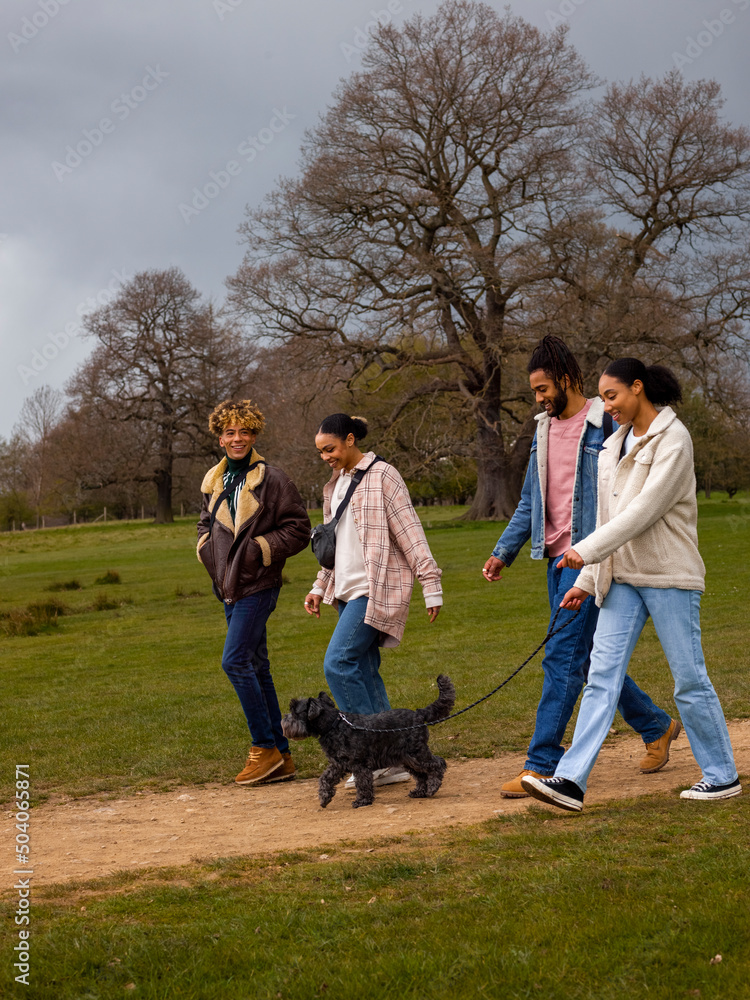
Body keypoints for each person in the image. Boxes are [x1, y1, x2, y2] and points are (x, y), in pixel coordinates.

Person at [522, 359, 741, 811]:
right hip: (620, 578)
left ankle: (721, 775)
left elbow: (643, 511)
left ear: (637, 389)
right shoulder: (612, 446)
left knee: (688, 679)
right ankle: (569, 781)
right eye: (603, 398)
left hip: (668, 576)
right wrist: (585, 580)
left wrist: (585, 551)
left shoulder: (674, 440)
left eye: (612, 396)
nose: (607, 407)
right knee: (600, 679)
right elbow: (607, 518)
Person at [483, 337, 677, 798]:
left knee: (562, 659)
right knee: (585, 658)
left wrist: (598, 551)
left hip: (588, 556)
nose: (539, 398)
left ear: (567, 379)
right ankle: (656, 726)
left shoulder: (605, 424)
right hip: (555, 560)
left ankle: (540, 763)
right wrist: (502, 551)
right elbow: (532, 499)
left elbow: (627, 492)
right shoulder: (543, 431)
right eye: (534, 391)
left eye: (543, 388)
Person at [304, 413, 443, 788]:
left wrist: (431, 583)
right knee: (363, 670)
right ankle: (396, 758)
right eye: (320, 452)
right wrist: (320, 586)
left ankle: (371, 752)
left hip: (375, 589)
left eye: (330, 449)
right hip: (346, 593)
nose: (326, 457)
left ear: (350, 440)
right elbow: (333, 545)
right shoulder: (333, 487)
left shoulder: (384, 475)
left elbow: (410, 531)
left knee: (338, 663)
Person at [197, 399, 311, 785]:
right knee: (257, 668)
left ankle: (263, 748)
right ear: (220, 438)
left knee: (234, 661)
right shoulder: (214, 481)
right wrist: (206, 552)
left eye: (244, 431)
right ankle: (283, 757)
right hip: (227, 588)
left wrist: (259, 551)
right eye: (230, 432)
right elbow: (204, 525)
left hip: (258, 586)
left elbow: (298, 528)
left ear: (254, 434)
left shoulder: (272, 478)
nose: (237, 438)